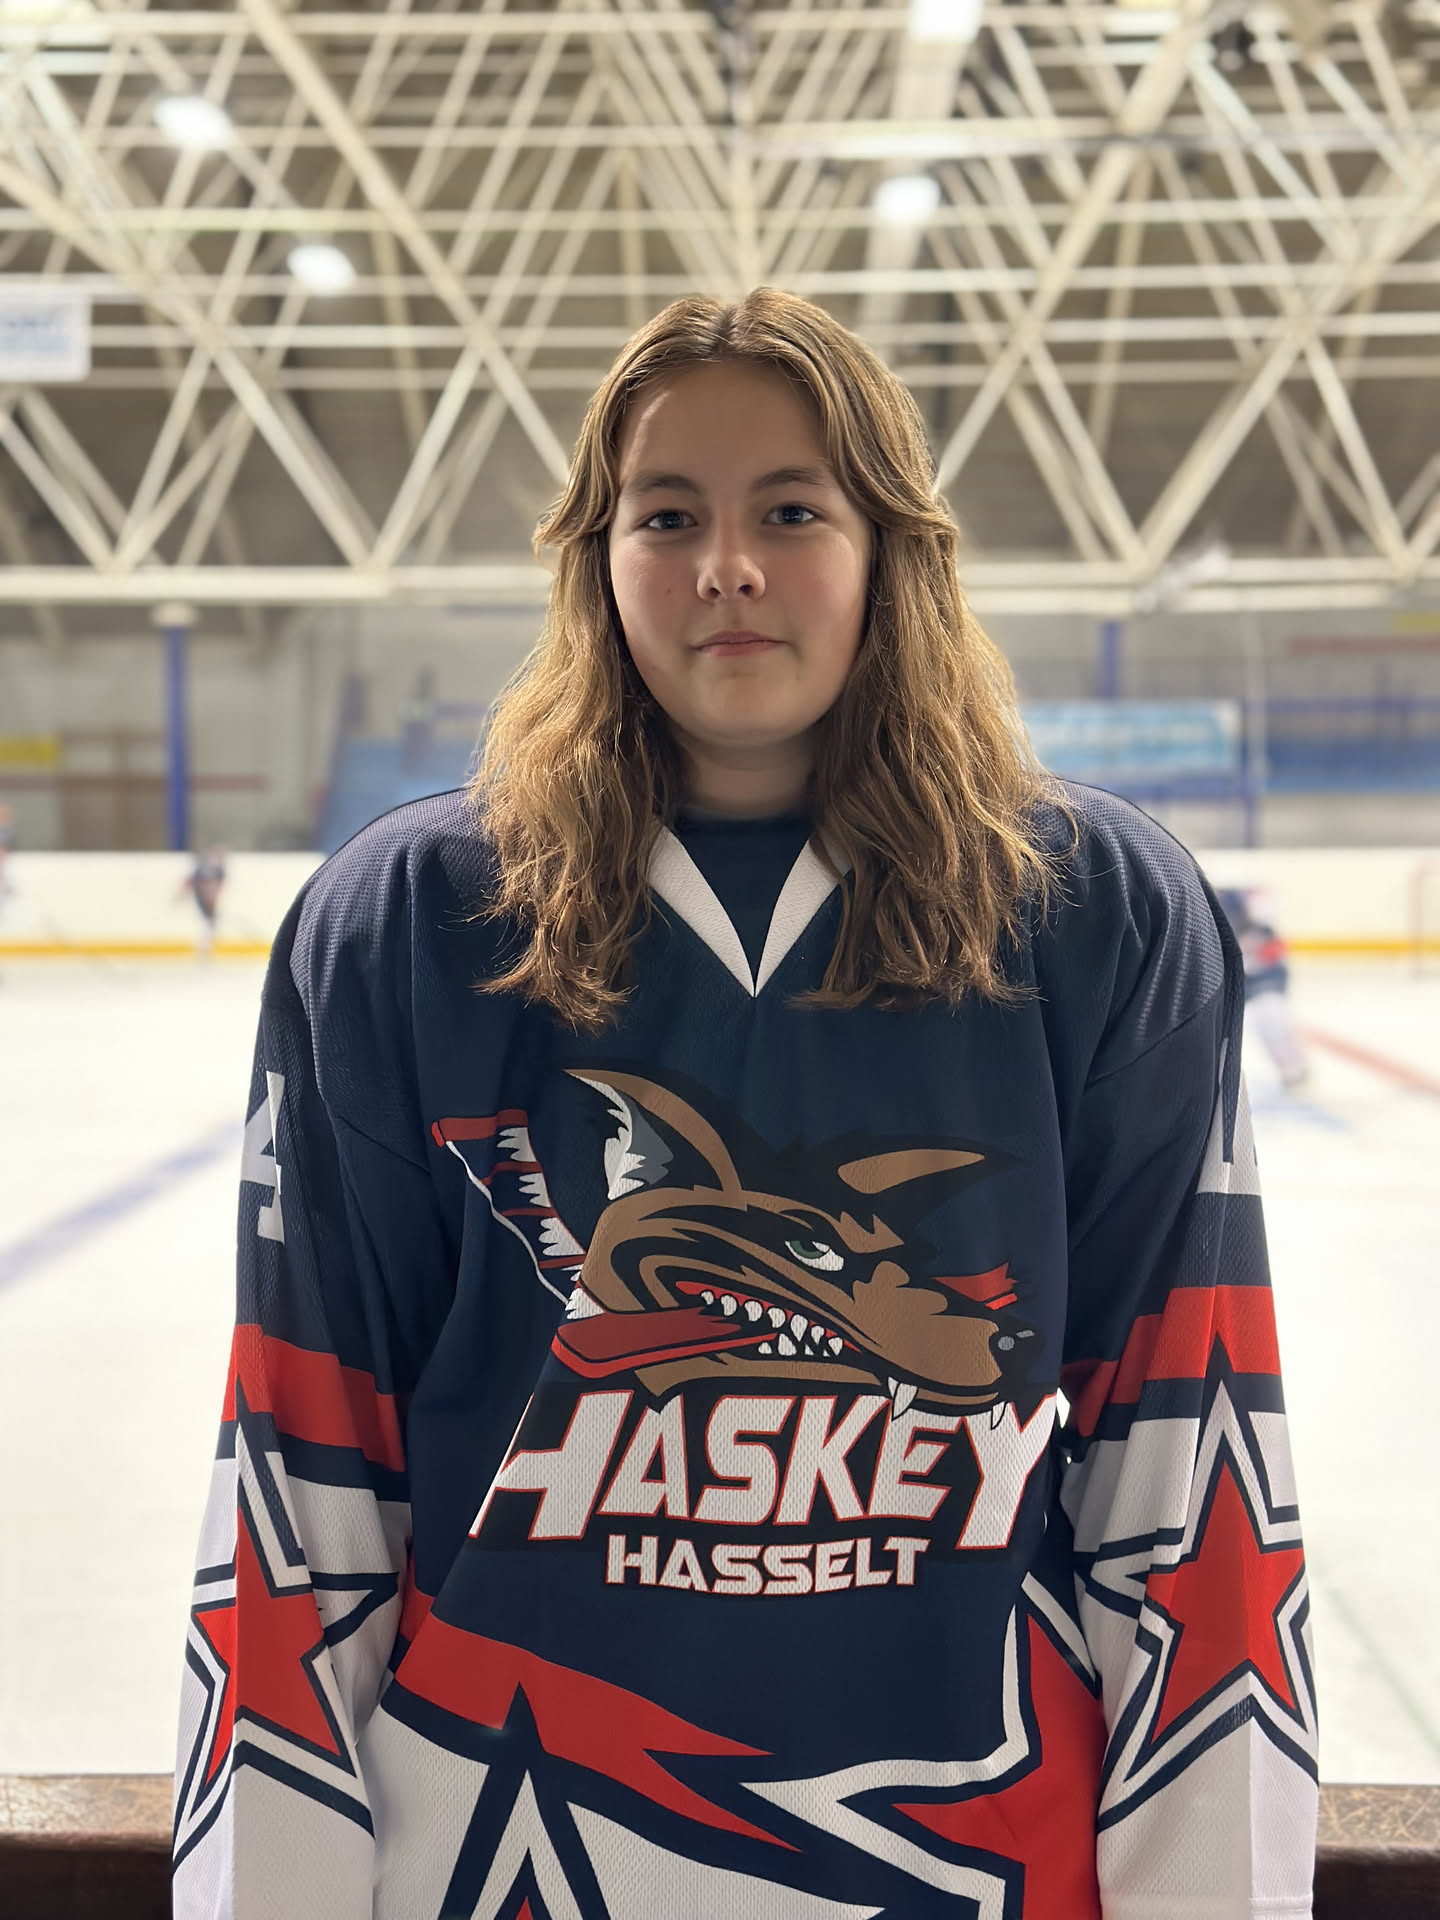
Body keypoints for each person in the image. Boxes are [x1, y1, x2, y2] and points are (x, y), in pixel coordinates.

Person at [174, 291, 1317, 1919]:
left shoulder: (1100, 914)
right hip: (501, 1866)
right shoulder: (404, 924)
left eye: (791, 510)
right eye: (667, 516)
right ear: (597, 559)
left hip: (971, 1870)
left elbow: (1188, 1489)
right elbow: (304, 1497)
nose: (726, 565)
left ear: (890, 551)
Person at [1218, 885, 1310, 1090]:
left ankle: (1294, 1067)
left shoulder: (1263, 933)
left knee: (1273, 1021)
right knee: (1266, 1026)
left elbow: (1270, 962)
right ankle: (1292, 1067)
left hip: (1267, 988)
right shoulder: (1236, 927)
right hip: (1253, 989)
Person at [181, 844, 227, 959]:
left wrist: (213, 895)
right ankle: (204, 948)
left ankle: (206, 947)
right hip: (202, 898)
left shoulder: (218, 870)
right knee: (208, 923)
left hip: (210, 899)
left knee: (210, 923)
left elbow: (219, 884)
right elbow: (192, 881)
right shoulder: (203, 868)